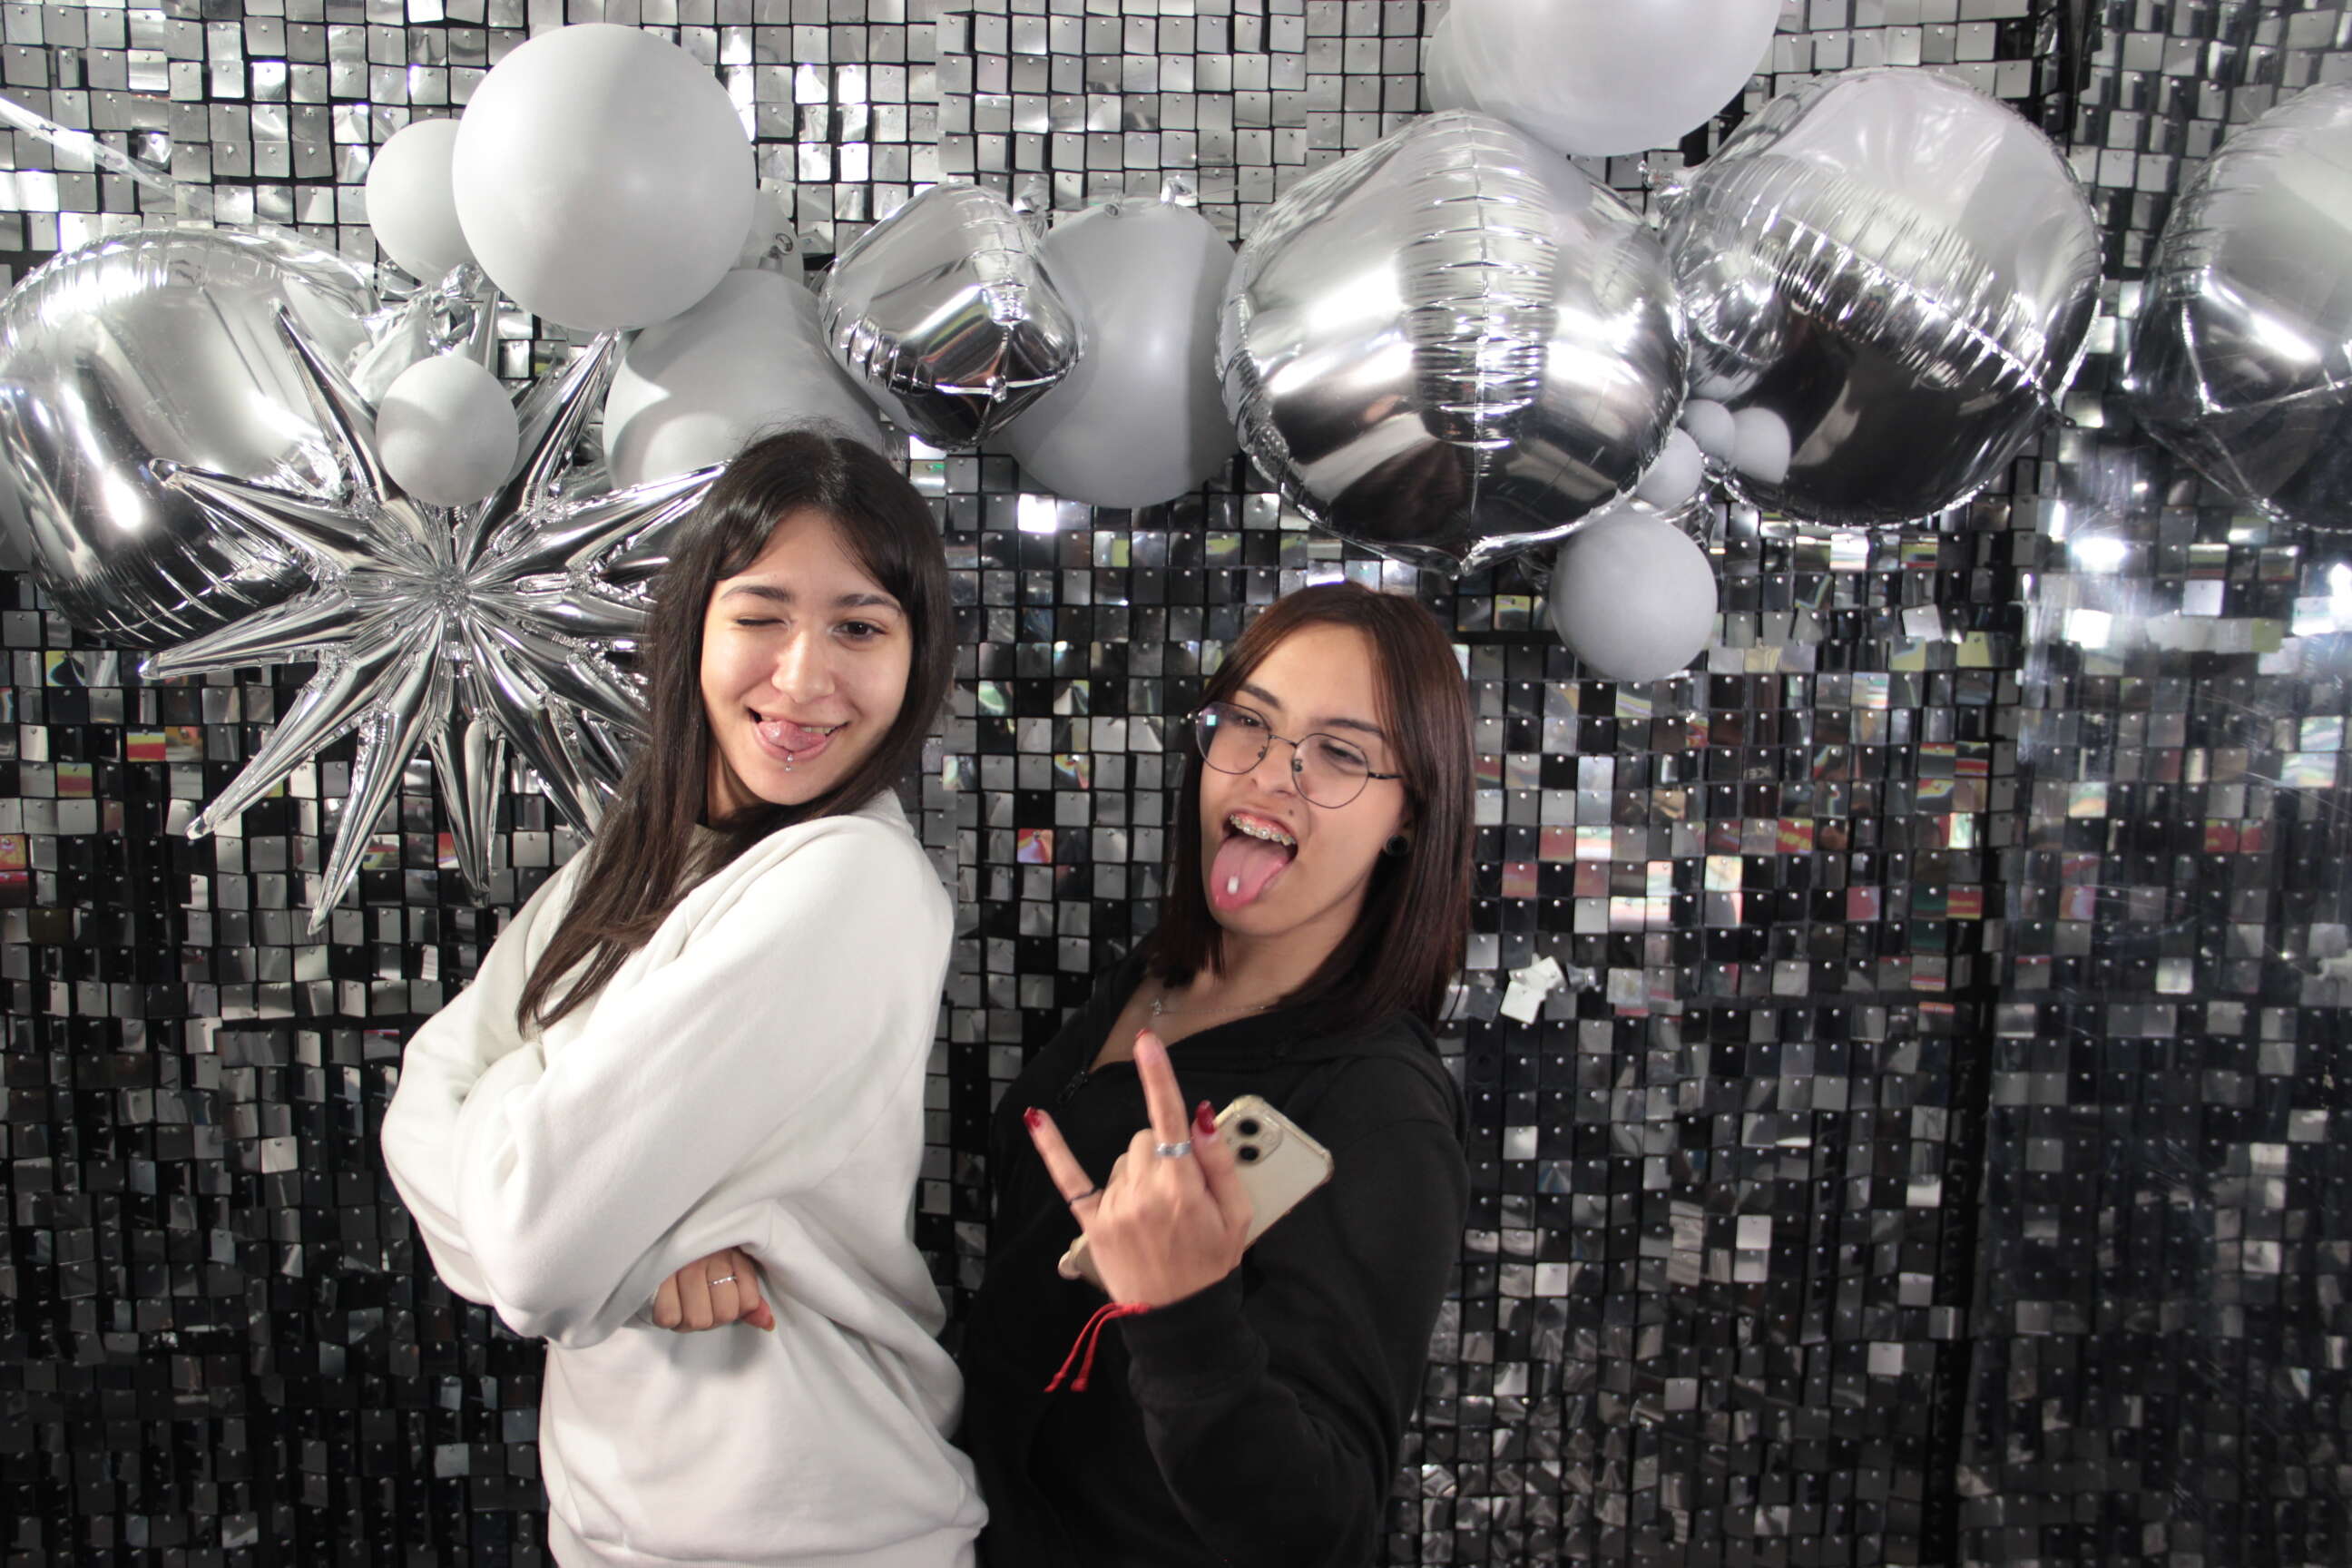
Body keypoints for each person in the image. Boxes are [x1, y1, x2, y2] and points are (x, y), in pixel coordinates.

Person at [378, 428, 985, 1568]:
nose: (801, 678)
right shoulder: (632, 862)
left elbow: (538, 1250)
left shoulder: (848, 879)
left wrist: (539, 1129)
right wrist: (636, 1256)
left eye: (859, 627)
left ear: (917, 659)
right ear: (694, 627)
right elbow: (418, 1107)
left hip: (816, 1536)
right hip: (609, 1524)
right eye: (761, 616)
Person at [955, 581, 1475, 1566]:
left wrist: (1184, 1316)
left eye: (1341, 754)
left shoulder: (1379, 1112)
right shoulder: (1156, 976)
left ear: (1408, 816)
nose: (1270, 776)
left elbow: (1325, 1535)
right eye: (1249, 723)